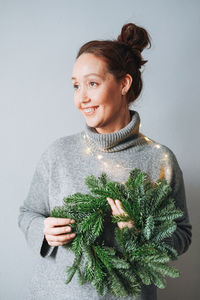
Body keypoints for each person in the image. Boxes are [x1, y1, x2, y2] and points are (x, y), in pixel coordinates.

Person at [18, 23, 192, 300]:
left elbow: (182, 235)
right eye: (76, 86)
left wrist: (141, 232)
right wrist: (43, 230)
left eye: (92, 84)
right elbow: (28, 213)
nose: (81, 98)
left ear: (123, 83)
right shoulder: (58, 153)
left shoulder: (159, 159)